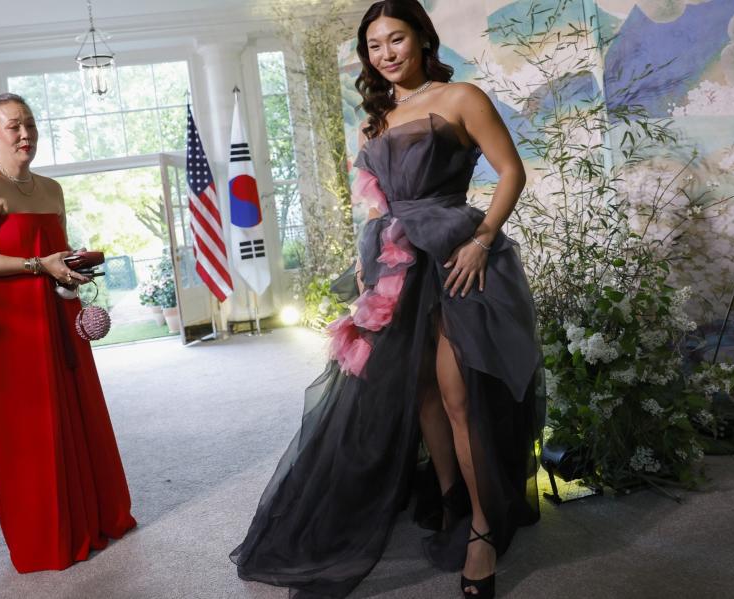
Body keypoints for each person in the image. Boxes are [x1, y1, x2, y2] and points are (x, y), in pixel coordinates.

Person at [231, 1, 541, 597]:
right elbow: (383, 201)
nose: (386, 54)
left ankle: (482, 530)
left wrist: (482, 240)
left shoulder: (462, 98)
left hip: (454, 257)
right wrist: (365, 264)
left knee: (457, 397)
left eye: (396, 39)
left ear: (423, 39)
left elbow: (511, 172)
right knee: (417, 389)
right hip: (397, 262)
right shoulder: (378, 118)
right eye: (374, 46)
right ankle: (451, 499)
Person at [0, 93, 136, 573]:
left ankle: (93, 515)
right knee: (30, 427)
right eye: (13, 126)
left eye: (30, 125)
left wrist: (72, 265)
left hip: (56, 314)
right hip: (7, 325)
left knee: (73, 409)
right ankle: (46, 534)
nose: (25, 134)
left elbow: (52, 253)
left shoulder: (52, 189)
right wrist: (39, 264)